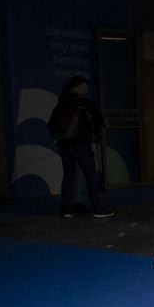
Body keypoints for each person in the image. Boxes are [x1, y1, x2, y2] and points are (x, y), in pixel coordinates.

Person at [48, 76, 112, 218]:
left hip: (64, 145)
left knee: (69, 176)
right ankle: (98, 208)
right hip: (82, 144)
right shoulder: (85, 104)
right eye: (84, 85)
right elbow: (100, 120)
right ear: (79, 87)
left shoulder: (62, 103)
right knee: (90, 176)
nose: (86, 88)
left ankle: (67, 209)